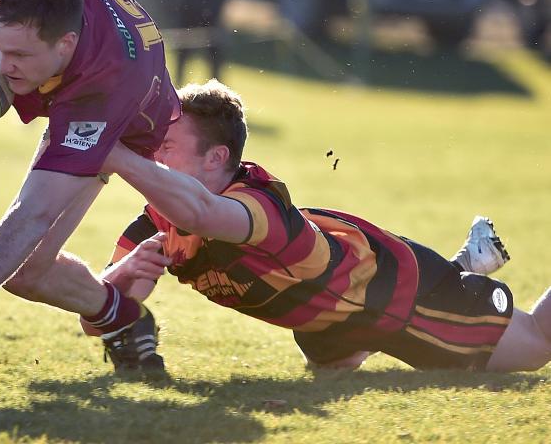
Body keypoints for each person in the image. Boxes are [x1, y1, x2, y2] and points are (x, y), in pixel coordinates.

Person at [82, 79, 551, 374]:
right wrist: (121, 275)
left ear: (216, 158)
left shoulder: (256, 205)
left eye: (166, 147)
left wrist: (112, 153)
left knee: (535, 349)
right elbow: (96, 317)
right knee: (333, 368)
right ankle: (464, 265)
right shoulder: (155, 219)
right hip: (326, 324)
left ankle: (454, 280)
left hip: (394, 296)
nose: (153, 157)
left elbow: (204, 218)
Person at [0, 0, 180, 371]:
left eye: (18, 54)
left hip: (124, 121)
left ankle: (124, 320)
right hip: (63, 70)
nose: (2, 66)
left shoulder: (105, 85)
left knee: (25, 271)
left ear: (65, 44)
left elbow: (36, 210)